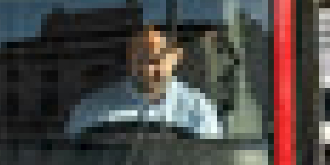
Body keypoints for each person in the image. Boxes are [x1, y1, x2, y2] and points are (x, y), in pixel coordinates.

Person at [66, 27, 223, 139]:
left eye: (156, 60)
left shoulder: (199, 110)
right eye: (140, 60)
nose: (147, 69)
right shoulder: (92, 110)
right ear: (129, 59)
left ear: (176, 58)